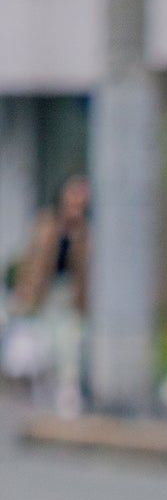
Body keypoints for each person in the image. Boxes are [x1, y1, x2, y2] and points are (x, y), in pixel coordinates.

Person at [14, 173, 91, 415]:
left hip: (69, 294)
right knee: (44, 344)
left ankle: (68, 393)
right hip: (44, 293)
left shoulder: (85, 232)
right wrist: (24, 289)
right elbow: (31, 258)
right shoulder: (47, 223)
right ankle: (45, 393)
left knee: (69, 341)